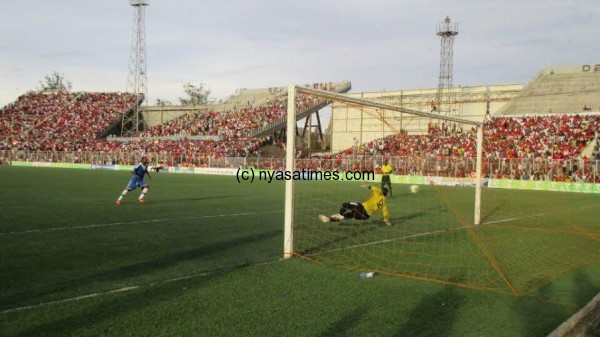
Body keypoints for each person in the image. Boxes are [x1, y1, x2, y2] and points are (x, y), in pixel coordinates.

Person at [319, 184, 391, 226]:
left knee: (346, 204)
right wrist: (386, 221)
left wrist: (369, 186)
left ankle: (340, 214)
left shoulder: (378, 193)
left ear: (382, 191)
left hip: (362, 208)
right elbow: (385, 212)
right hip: (365, 216)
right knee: (347, 216)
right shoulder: (384, 202)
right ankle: (329, 220)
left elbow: (376, 189)